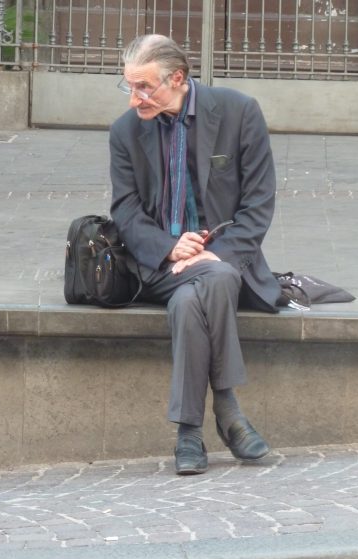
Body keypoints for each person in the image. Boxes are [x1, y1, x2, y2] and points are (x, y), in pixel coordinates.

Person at [109, 34, 281, 475]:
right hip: (159, 266)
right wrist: (170, 249)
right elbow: (125, 211)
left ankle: (188, 430)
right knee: (208, 283)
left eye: (144, 87)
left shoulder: (239, 112)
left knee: (201, 291)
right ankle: (228, 411)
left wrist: (215, 255)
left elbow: (258, 204)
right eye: (129, 86)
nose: (134, 99)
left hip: (223, 260)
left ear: (178, 79)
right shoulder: (125, 132)